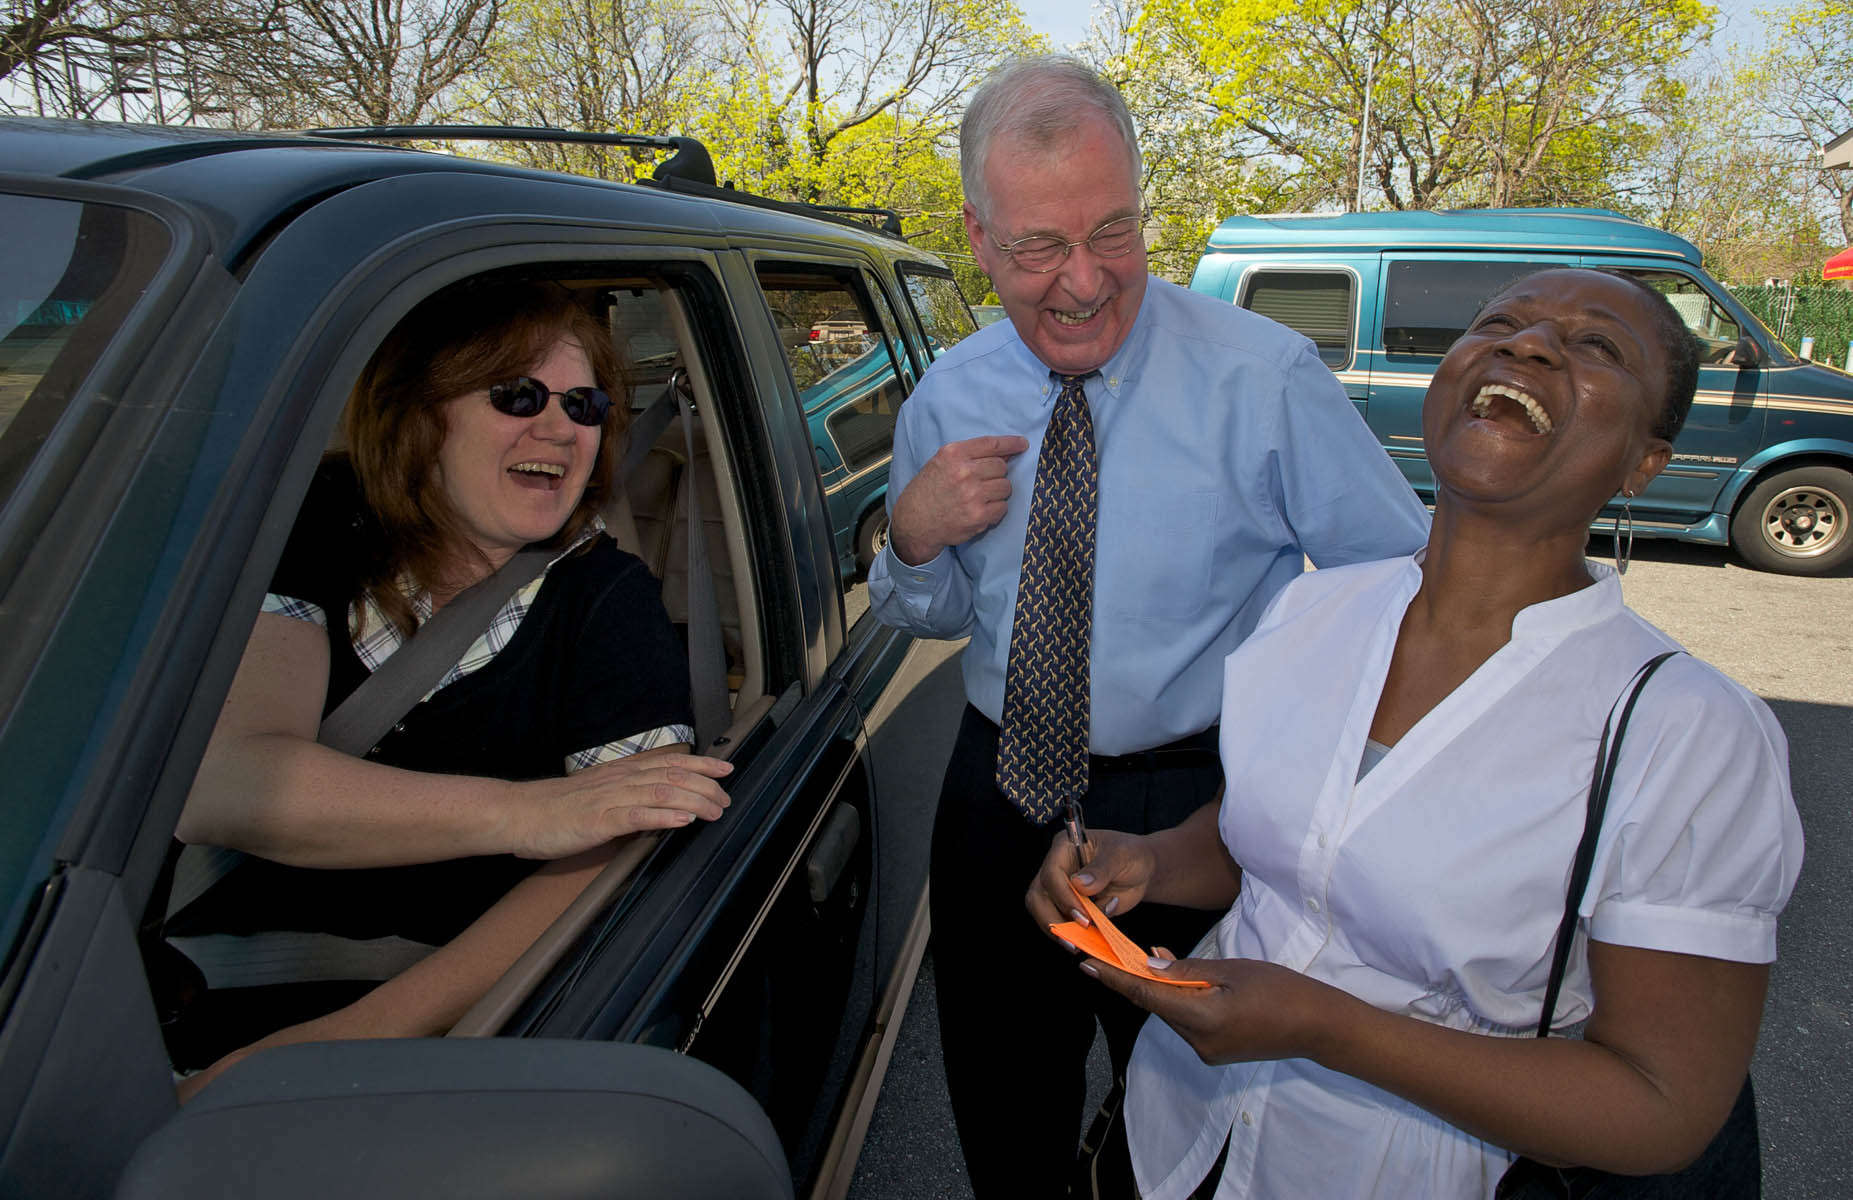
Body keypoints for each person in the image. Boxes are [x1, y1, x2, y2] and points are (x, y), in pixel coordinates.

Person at [1027, 267, 1805, 1199]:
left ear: (1646, 460)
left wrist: (1329, 1027)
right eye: (1500, 323)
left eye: (1596, 347)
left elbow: (1661, 1105)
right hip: (1166, 1136)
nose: (1529, 345)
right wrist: (1149, 860)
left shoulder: (1686, 733)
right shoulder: (1311, 611)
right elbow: (1283, 845)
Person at [865, 56, 1431, 1195]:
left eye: (1110, 232)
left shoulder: (1260, 377)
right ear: (978, 240)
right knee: (1000, 1092)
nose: (1082, 282)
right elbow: (928, 616)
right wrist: (910, 537)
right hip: (995, 797)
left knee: (1196, 1112)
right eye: (1038, 248)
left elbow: (1405, 588)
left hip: (1196, 804)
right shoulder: (948, 397)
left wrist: (1318, 765)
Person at [168, 279, 733, 1089]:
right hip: (192, 982)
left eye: (583, 405)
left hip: (423, 1027)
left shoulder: (605, 598)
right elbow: (228, 783)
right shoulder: (321, 525)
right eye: (516, 395)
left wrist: (331, 1047)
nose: (559, 428)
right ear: (422, 413)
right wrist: (531, 810)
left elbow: (614, 852)